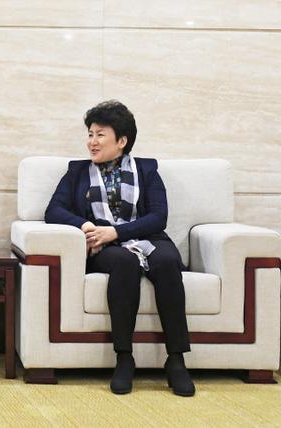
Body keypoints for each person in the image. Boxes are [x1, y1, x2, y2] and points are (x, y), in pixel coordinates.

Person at [45, 100, 195, 397]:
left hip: (146, 238)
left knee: (167, 261)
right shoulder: (77, 172)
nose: (92, 141)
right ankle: (124, 358)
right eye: (90, 134)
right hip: (104, 247)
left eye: (100, 135)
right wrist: (85, 225)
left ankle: (176, 360)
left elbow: (158, 216)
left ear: (122, 141)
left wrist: (117, 231)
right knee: (125, 262)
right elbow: (53, 210)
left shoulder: (147, 170)